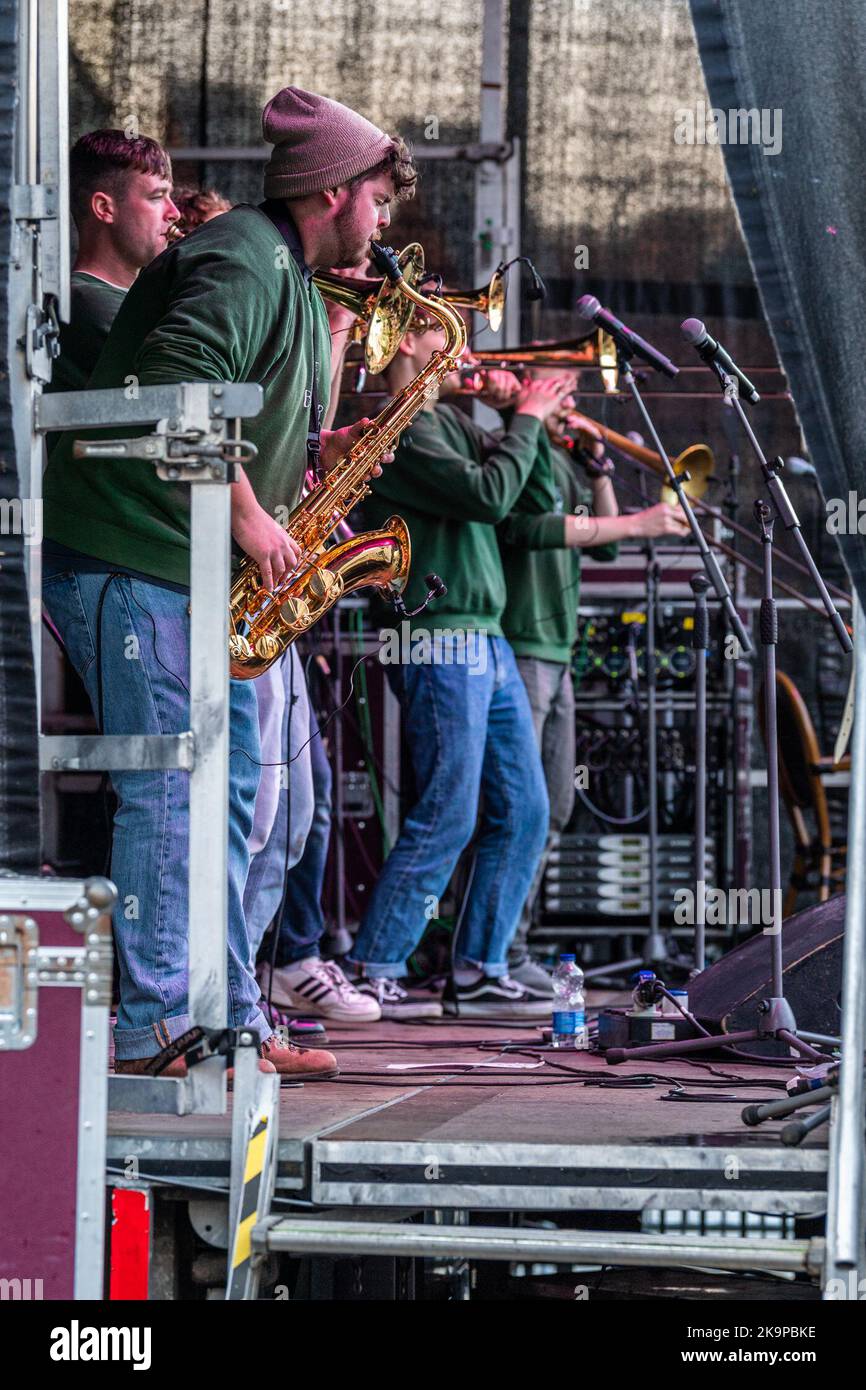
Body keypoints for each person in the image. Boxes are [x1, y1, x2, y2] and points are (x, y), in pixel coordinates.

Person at [41, 87, 413, 1077]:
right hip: (135, 556)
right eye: (378, 201)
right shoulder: (244, 252)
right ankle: (158, 1023)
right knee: (172, 790)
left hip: (180, 563)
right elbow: (177, 380)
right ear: (334, 192)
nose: (384, 224)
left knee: (232, 791)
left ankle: (232, 1019)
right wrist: (253, 519)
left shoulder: (278, 267)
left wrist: (291, 486)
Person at [344, 316, 572, 1019]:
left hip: (487, 635)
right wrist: (527, 418)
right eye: (448, 338)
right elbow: (485, 497)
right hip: (438, 635)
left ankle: (480, 966)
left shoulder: (452, 422)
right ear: (406, 343)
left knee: (528, 810)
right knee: (449, 807)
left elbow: (532, 499)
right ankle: (377, 962)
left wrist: (518, 417)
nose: (465, 354)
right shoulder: (401, 424)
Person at [498, 382, 691, 996]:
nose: (572, 405)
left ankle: (515, 947)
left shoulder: (563, 461)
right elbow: (526, 528)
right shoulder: (518, 449)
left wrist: (600, 469)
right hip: (524, 645)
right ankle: (490, 954)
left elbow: (603, 550)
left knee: (554, 807)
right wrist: (639, 521)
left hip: (559, 653)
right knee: (518, 809)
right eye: (562, 390)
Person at [47, 130, 179, 396]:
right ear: (104, 208)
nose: (174, 212)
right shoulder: (84, 303)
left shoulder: (124, 298)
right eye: (156, 197)